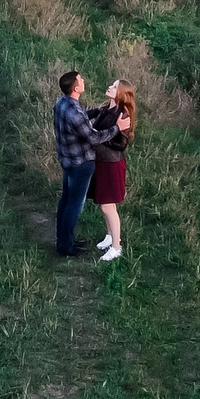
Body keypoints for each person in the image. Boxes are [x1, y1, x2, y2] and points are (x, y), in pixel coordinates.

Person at [87, 80, 136, 262]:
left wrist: (97, 138)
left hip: (111, 163)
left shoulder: (123, 114)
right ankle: (110, 236)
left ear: (121, 93)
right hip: (102, 162)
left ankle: (116, 247)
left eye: (114, 86)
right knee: (105, 204)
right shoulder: (106, 108)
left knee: (108, 206)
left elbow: (121, 144)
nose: (109, 87)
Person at [52, 70, 100, 257]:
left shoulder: (61, 102)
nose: (83, 80)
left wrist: (96, 111)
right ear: (75, 87)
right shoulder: (75, 112)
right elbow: (94, 138)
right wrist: (116, 128)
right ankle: (66, 247)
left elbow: (78, 121)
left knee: (65, 201)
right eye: (81, 79)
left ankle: (64, 240)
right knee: (74, 205)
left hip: (67, 160)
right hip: (81, 163)